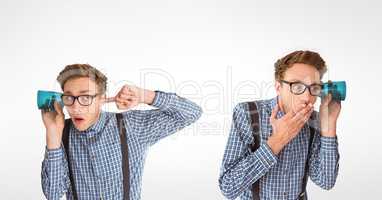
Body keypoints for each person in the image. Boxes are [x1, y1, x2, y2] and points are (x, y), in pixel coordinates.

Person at [41, 64, 202, 200]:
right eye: (69, 98)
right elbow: (53, 194)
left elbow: (192, 113)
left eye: (85, 98)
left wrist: (144, 96)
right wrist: (53, 135)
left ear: (102, 99)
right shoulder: (61, 133)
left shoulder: (130, 125)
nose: (75, 108)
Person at [219, 50, 341, 200]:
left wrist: (328, 127)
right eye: (297, 86)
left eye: (314, 88)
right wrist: (278, 140)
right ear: (278, 87)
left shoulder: (314, 121)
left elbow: (326, 181)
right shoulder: (248, 114)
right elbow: (228, 186)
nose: (307, 97)